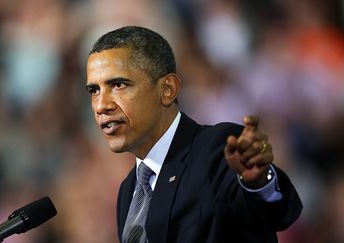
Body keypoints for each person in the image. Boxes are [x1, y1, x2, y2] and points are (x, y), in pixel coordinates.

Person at [85, 26, 302, 243]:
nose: (101, 105)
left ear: (167, 89)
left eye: (118, 84)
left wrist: (258, 182)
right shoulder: (128, 190)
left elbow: (279, 214)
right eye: (94, 90)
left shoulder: (217, 148)